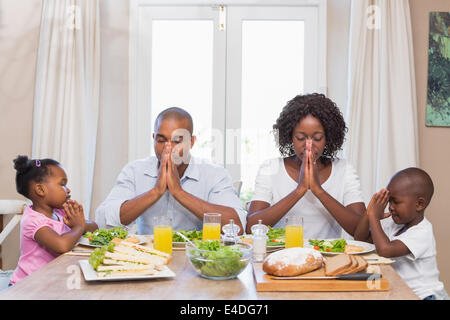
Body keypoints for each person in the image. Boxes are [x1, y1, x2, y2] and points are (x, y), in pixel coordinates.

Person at [95, 107, 246, 235]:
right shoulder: (134, 171)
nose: (168, 148)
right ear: (154, 139)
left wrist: (179, 193)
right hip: (147, 257)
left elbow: (237, 227)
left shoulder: (214, 174)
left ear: (191, 142)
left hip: (195, 258)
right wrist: (155, 191)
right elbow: (102, 221)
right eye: (161, 140)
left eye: (177, 141)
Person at [246, 93, 365, 238]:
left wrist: (318, 191)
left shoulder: (344, 170)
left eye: (317, 138)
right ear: (290, 136)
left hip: (327, 258)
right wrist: (299, 190)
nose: (308, 145)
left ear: (328, 137)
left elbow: (362, 231)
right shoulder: (270, 168)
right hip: (282, 256)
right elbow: (251, 227)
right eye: (300, 138)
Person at [354, 167, 448, 300]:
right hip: (402, 293)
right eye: (389, 201)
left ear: (419, 204)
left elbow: (385, 250)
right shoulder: (395, 225)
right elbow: (360, 239)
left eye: (396, 202)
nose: (390, 207)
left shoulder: (422, 231)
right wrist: (369, 213)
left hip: (425, 296)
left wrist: (374, 217)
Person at [9, 155, 98, 286]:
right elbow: (61, 245)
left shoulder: (60, 212)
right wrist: (78, 227)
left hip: (53, 282)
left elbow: (94, 227)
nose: (68, 190)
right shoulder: (33, 221)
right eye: (62, 184)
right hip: (27, 286)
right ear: (40, 190)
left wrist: (79, 222)